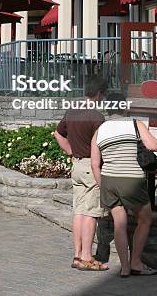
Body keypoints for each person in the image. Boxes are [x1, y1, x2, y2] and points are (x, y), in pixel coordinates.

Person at [91, 97, 157, 278]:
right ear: (125, 108)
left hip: (108, 180)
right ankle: (136, 262)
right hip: (131, 179)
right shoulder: (134, 124)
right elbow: (153, 145)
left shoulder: (99, 130)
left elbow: (95, 164)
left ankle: (124, 268)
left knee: (119, 224)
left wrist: (102, 185)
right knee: (145, 219)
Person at [54, 76, 108, 271]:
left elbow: (58, 133)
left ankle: (77, 254)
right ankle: (87, 256)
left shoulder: (72, 112)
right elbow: (98, 147)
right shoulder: (97, 118)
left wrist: (69, 150)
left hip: (76, 165)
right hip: (90, 166)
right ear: (100, 94)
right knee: (91, 212)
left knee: (78, 211)